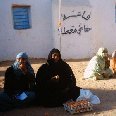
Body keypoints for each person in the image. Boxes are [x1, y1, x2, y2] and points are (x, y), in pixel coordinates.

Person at [35, 48, 100, 107]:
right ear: (50, 56)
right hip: (50, 91)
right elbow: (39, 82)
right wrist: (51, 81)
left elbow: (71, 79)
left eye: (58, 56)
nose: (56, 57)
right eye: (54, 55)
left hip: (63, 90)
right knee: (46, 99)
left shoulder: (64, 65)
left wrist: (68, 87)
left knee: (76, 92)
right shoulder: (44, 68)